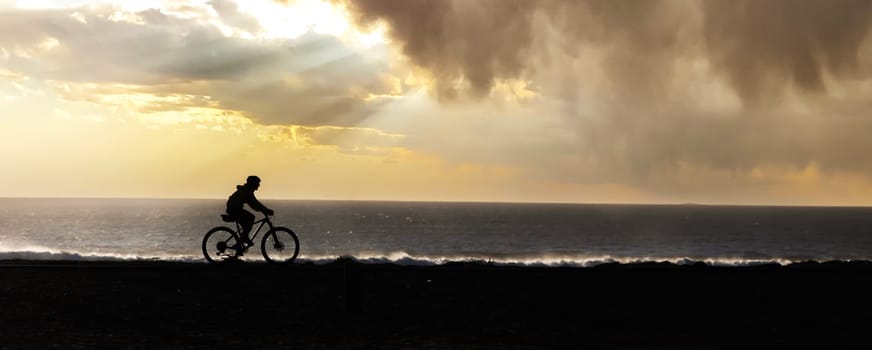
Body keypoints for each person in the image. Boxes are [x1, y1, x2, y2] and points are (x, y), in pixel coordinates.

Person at [226, 175, 274, 246]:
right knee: (250, 218)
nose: (259, 185)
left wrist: (264, 210)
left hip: (234, 209)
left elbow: (255, 203)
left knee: (247, 225)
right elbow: (254, 203)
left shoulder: (248, 190)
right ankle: (242, 241)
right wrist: (265, 210)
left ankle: (240, 243)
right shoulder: (247, 191)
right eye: (257, 183)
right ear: (253, 183)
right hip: (233, 210)